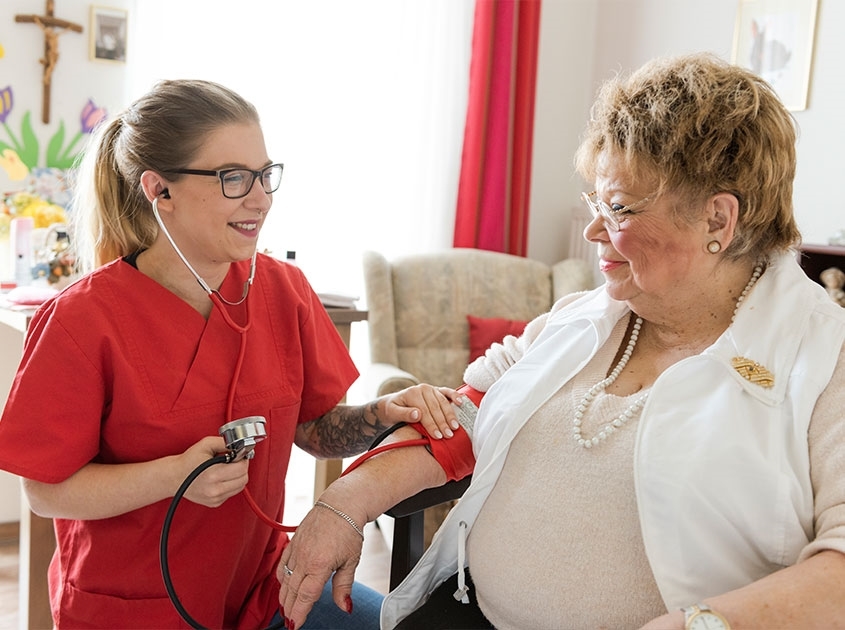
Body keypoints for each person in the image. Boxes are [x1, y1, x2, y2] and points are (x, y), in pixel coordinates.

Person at [277, 52, 845, 630]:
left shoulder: (825, 360)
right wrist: (341, 505)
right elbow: (463, 416)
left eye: (619, 208)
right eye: (596, 202)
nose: (594, 229)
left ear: (717, 222)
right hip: (469, 613)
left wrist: (698, 625)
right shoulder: (581, 318)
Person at [0, 79, 463, 629]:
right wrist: (175, 476)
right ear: (159, 190)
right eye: (233, 178)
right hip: (136, 610)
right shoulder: (82, 320)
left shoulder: (283, 290)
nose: (261, 198)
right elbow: (46, 491)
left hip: (264, 592)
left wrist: (380, 416)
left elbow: (313, 430)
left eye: (265, 175)